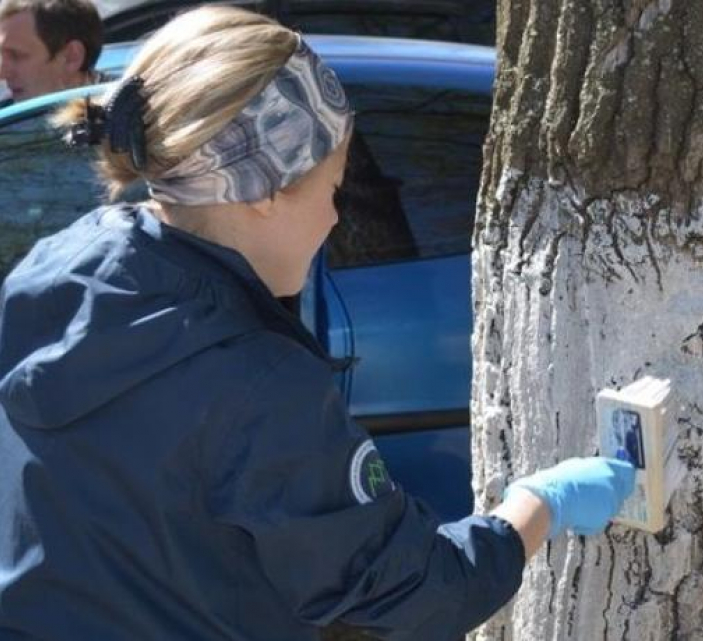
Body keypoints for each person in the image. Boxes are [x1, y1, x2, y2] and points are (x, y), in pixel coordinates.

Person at [0, 7, 635, 640]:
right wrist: (537, 506)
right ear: (264, 191)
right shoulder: (257, 383)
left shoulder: (50, 270)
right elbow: (413, 592)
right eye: (333, 190)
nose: (336, 219)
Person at [0, 0, 104, 106]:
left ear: (71, 57)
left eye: (16, 55)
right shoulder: (6, 114)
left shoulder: (118, 112)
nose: (2, 73)